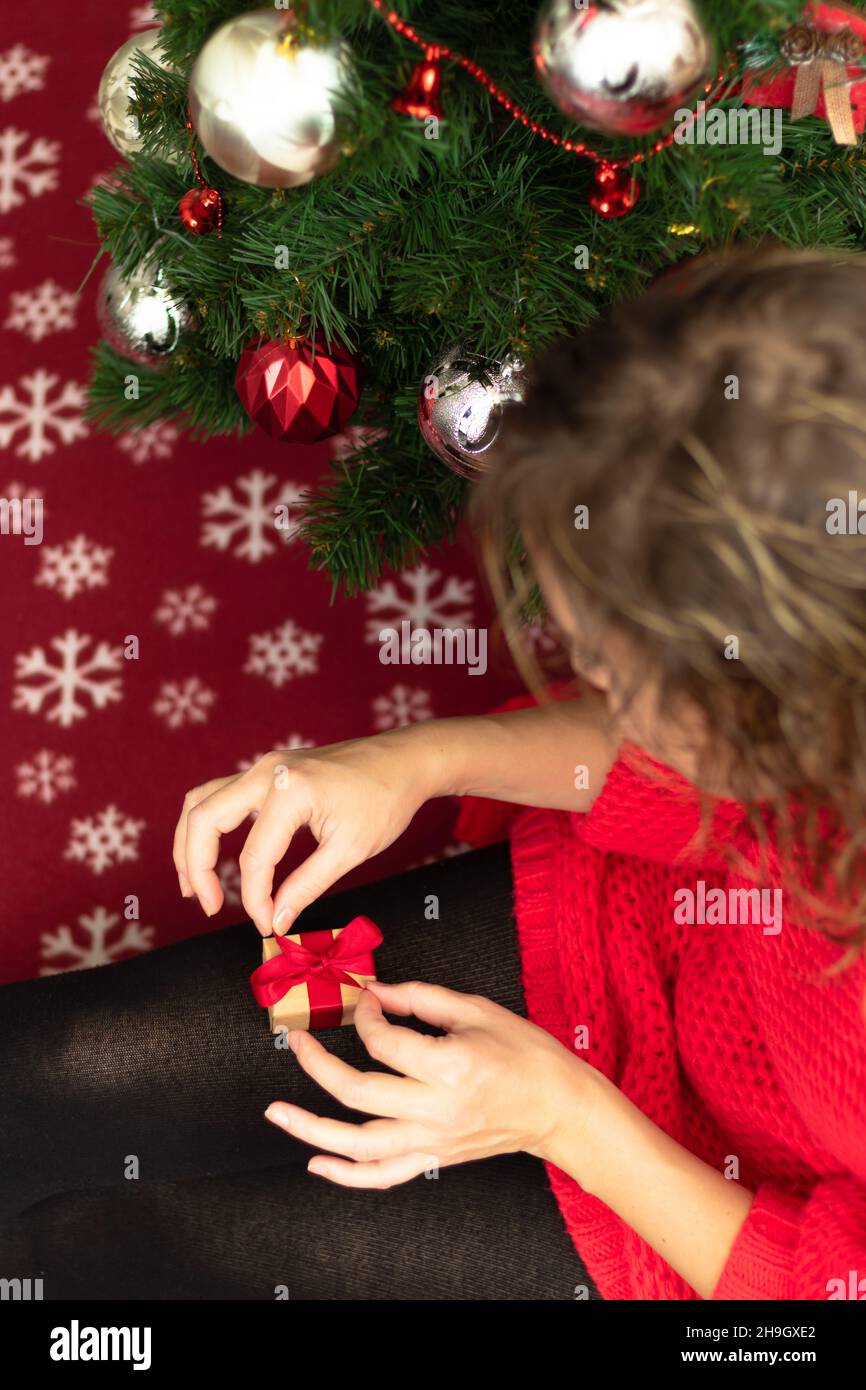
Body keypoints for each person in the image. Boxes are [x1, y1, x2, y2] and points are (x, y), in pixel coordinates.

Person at [3, 247, 865, 1301]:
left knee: (110, 1243)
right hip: (633, 935)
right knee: (62, 1064)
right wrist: (411, 762)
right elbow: (678, 780)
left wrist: (562, 1119)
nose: (582, 677)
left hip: (718, 1246)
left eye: (620, 667)